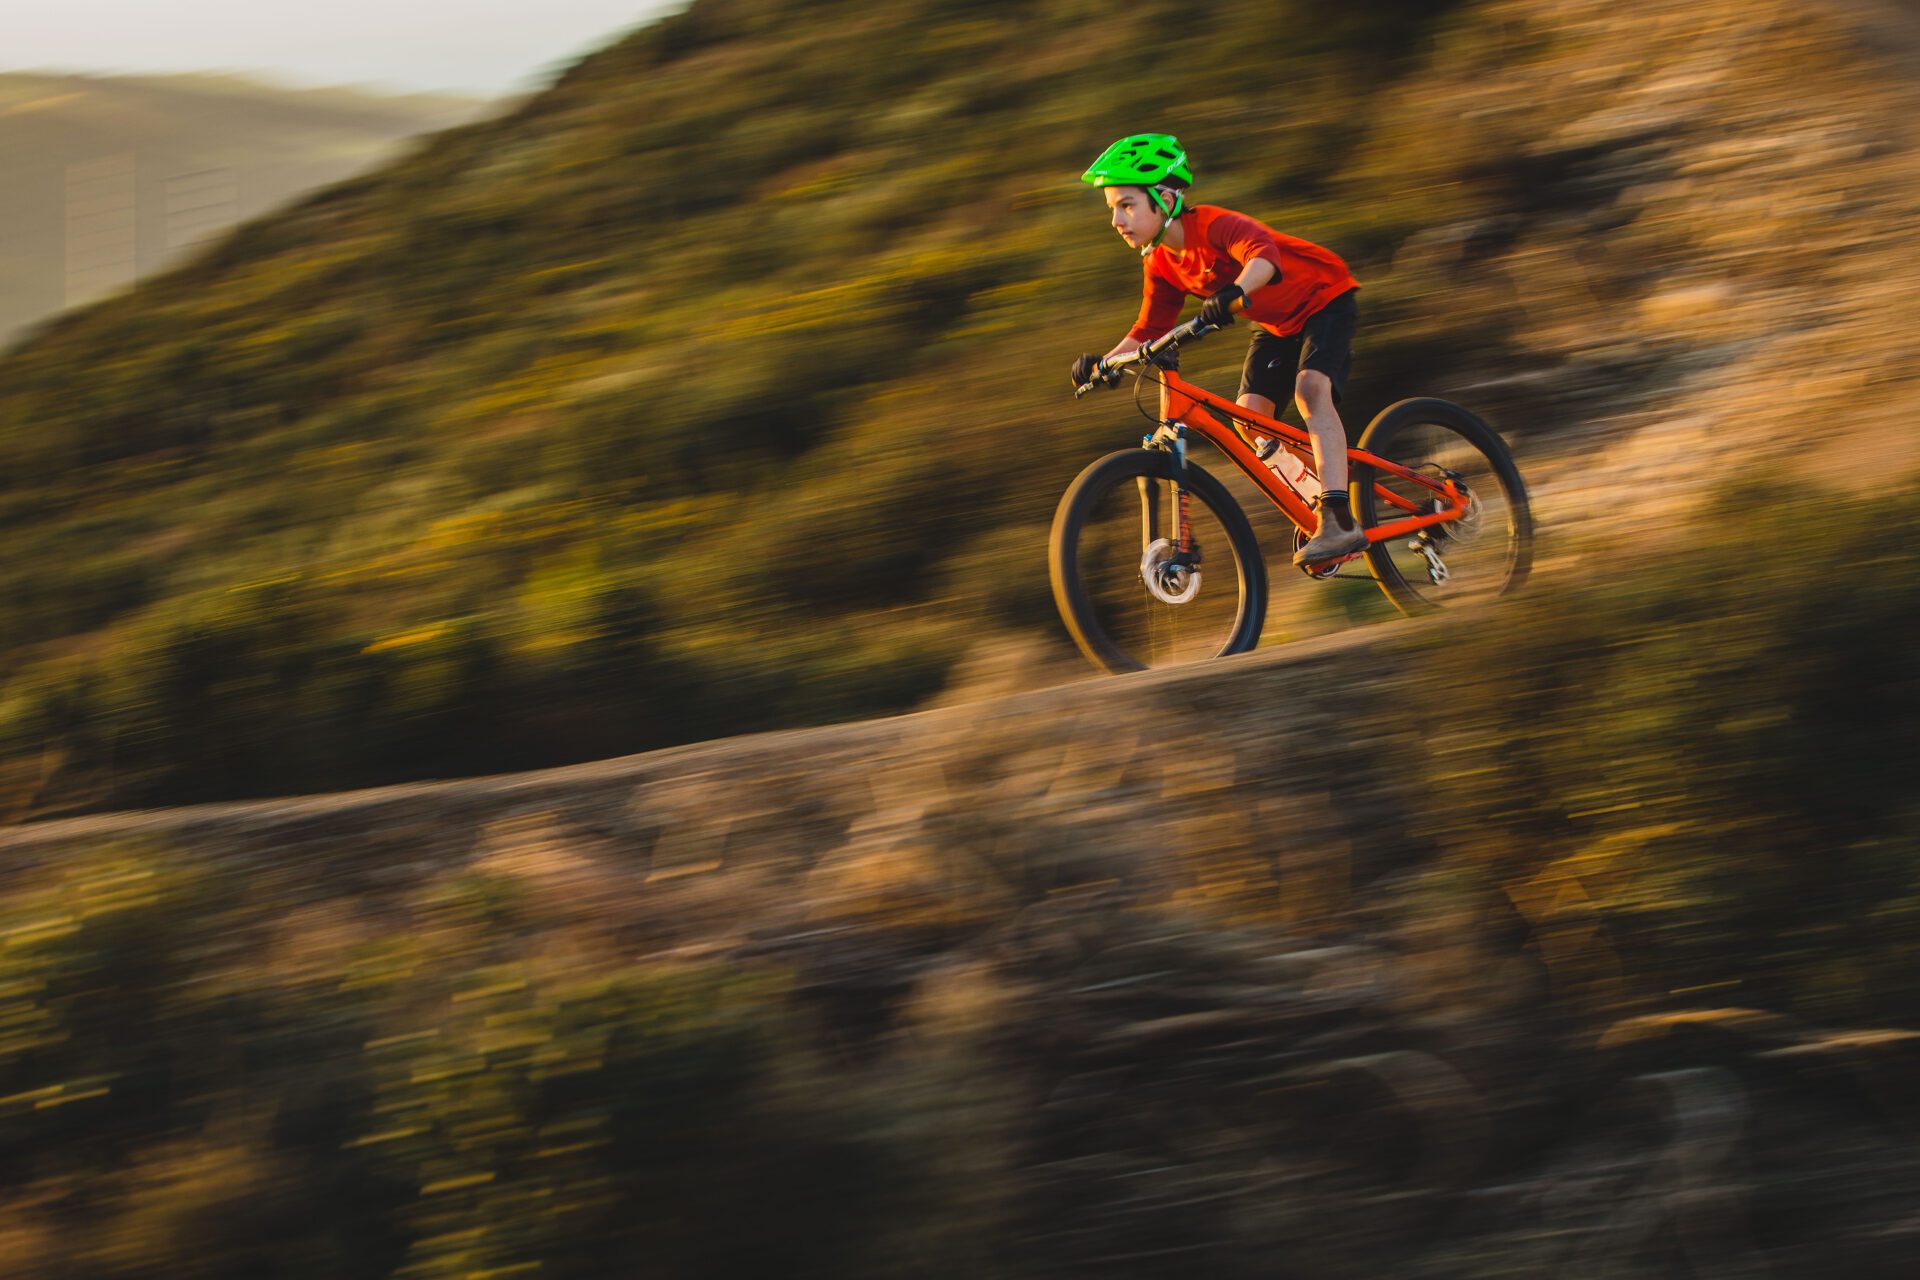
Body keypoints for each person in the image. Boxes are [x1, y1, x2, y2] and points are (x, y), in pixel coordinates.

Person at [1071, 133, 1365, 566]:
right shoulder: (1161, 263)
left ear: (1165, 198)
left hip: (1325, 298)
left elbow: (1263, 256)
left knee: (1310, 389)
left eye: (1127, 205)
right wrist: (1105, 363)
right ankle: (1318, 493)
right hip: (1277, 324)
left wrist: (1235, 292)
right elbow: (1150, 327)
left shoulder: (1213, 225)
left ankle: (1338, 517)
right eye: (1112, 208)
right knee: (1251, 418)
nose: (1117, 219)